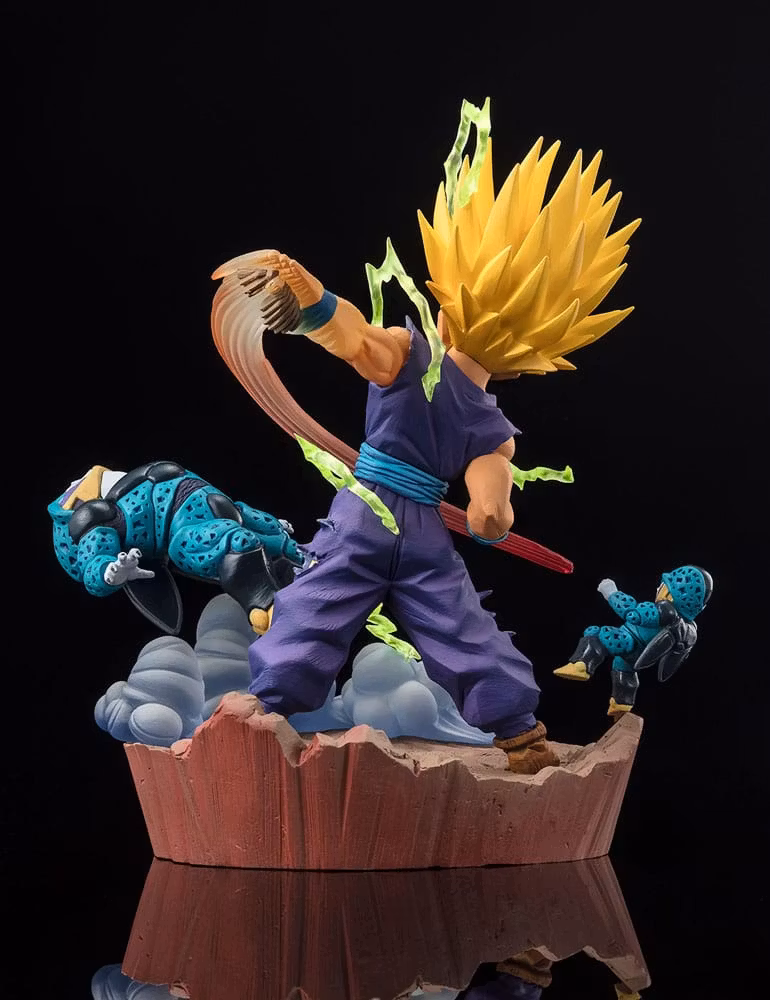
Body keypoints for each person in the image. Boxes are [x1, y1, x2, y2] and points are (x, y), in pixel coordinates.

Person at [211, 131, 639, 772]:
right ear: (538, 353)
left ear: (449, 293)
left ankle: (268, 706)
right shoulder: (480, 414)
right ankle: (519, 734)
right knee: (454, 625)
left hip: (367, 514)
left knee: (321, 607)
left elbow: (356, 340)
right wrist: (314, 305)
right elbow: (490, 509)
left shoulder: (417, 358)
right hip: (418, 531)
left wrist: (314, 303)